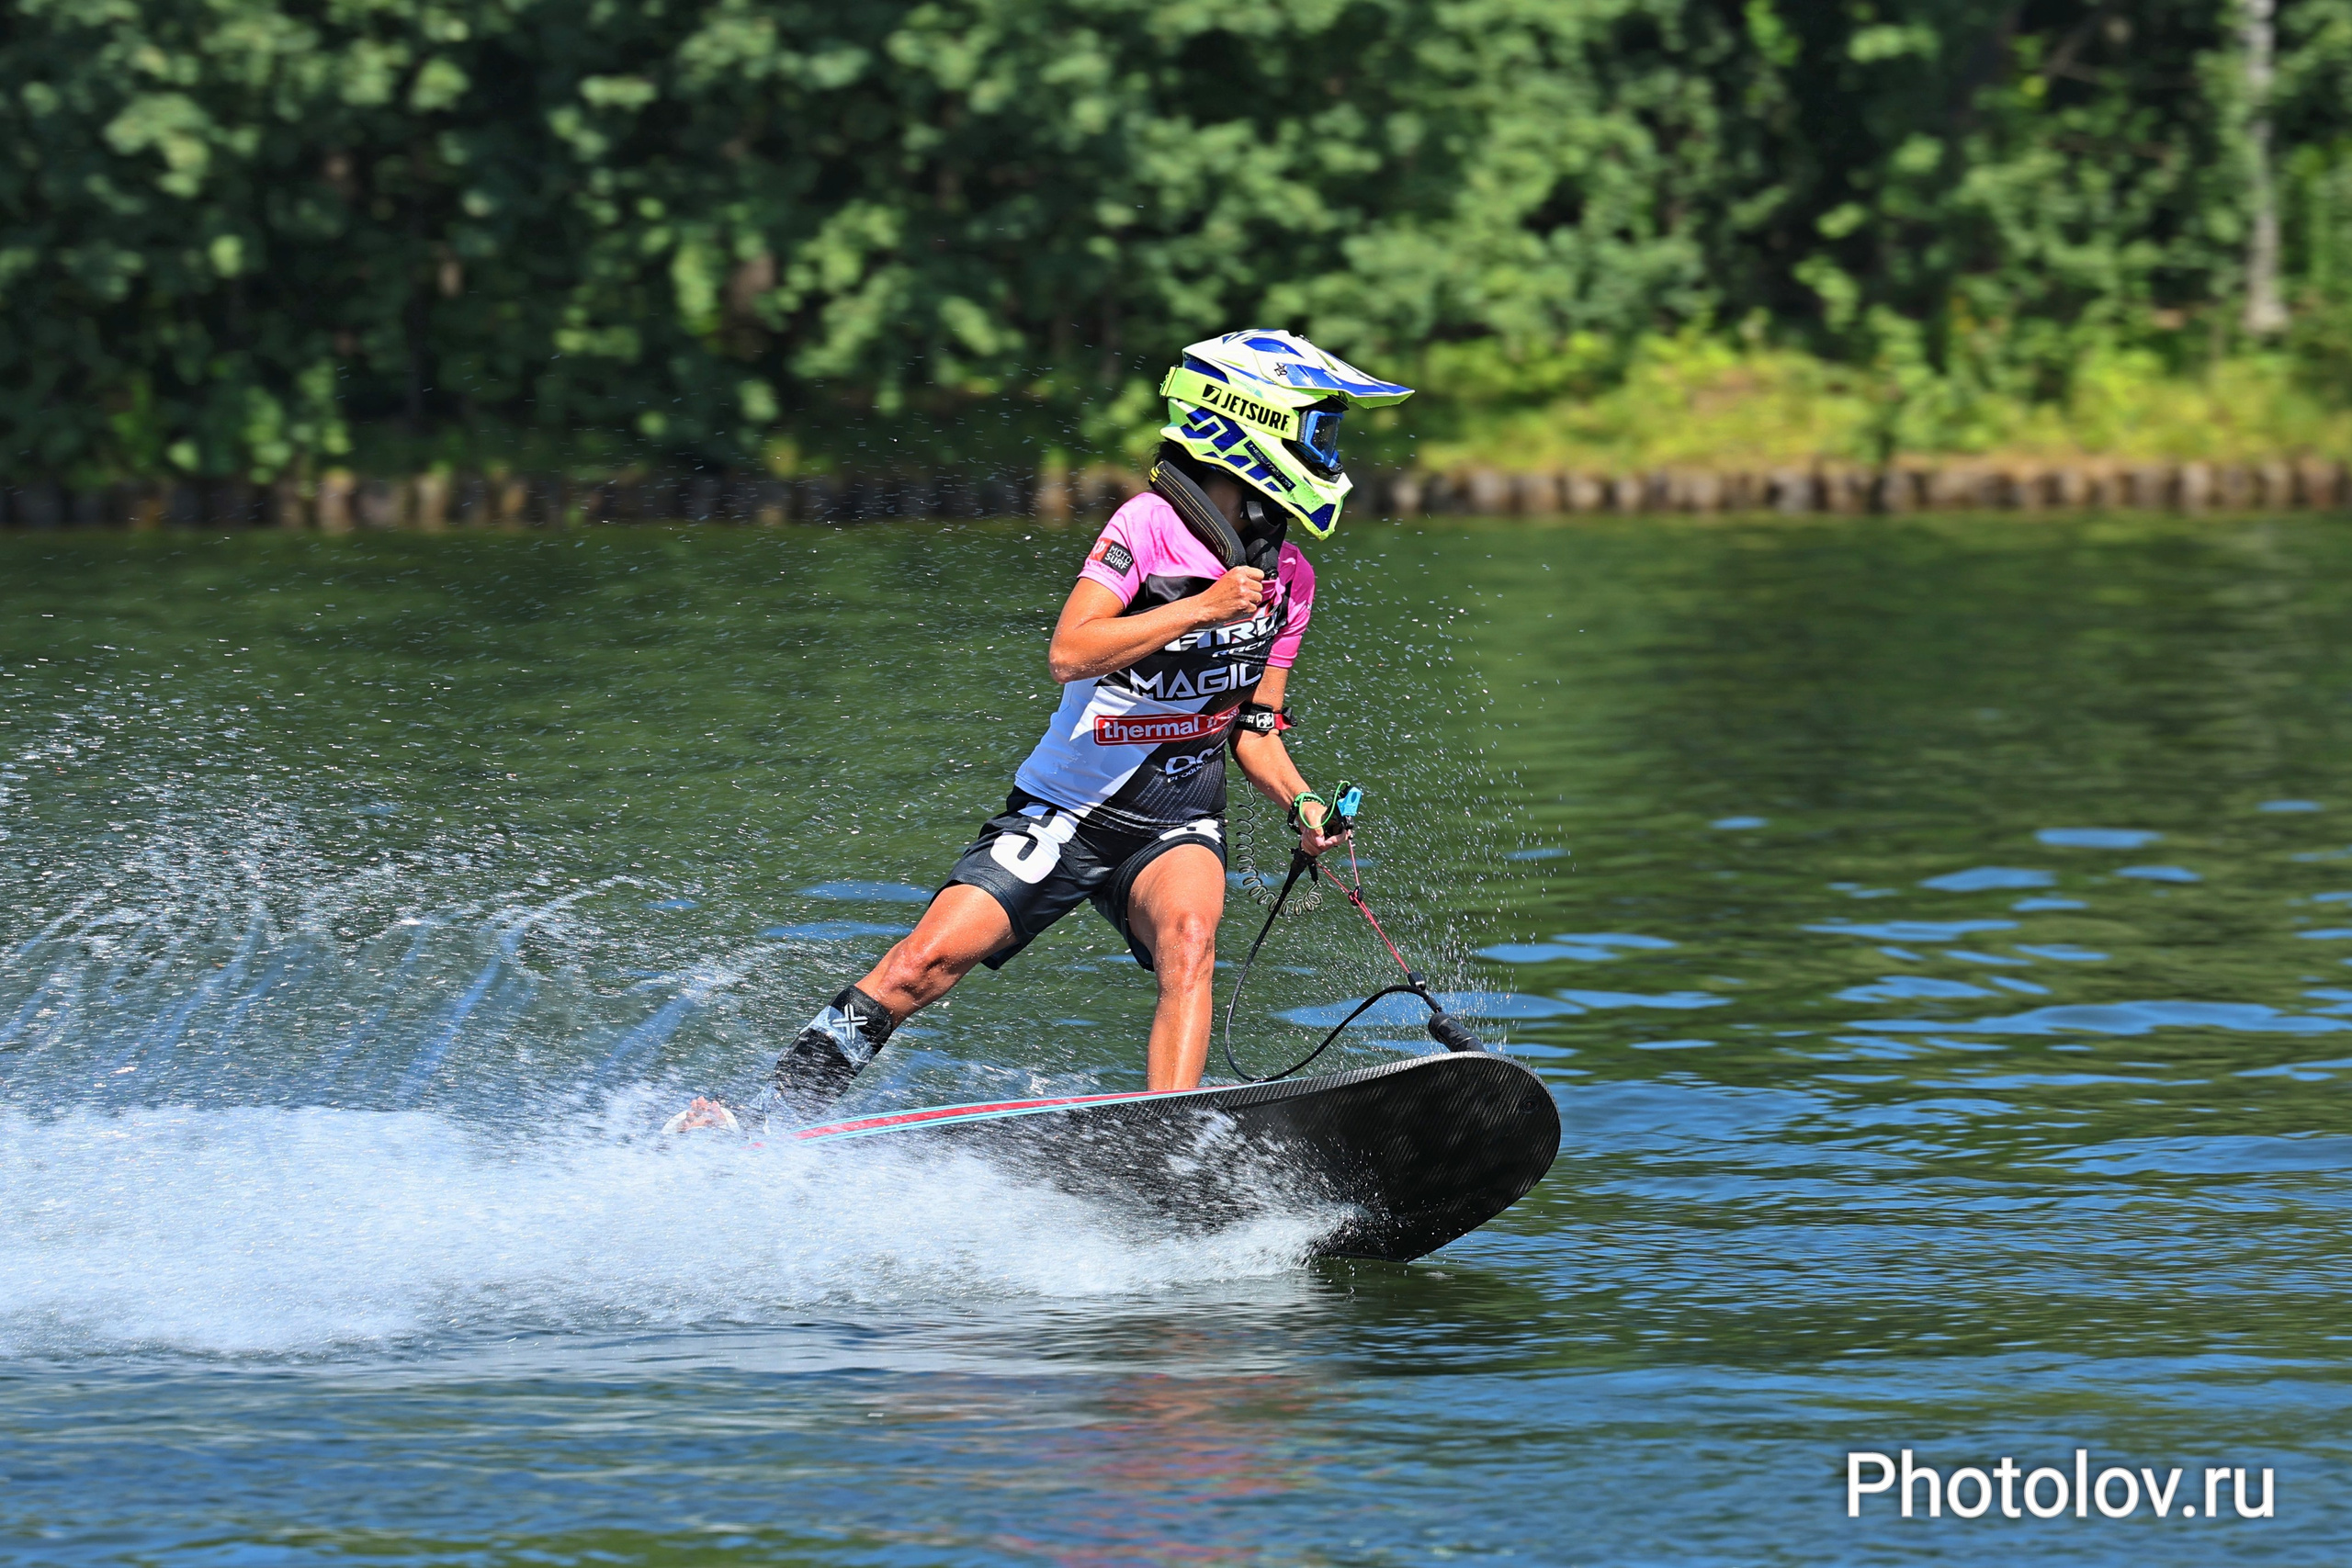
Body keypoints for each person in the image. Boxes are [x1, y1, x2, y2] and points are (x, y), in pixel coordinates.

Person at [673, 330, 1413, 1132]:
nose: (1330, 454)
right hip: (1066, 810)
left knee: (1191, 939)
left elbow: (1253, 728)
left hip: (1178, 818)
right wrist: (1202, 608)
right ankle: (765, 1119)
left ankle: (1166, 1144)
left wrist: (1304, 804)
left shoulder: (1289, 578)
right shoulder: (1146, 525)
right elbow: (1070, 651)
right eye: (1318, 432)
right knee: (921, 966)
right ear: (1247, 423)